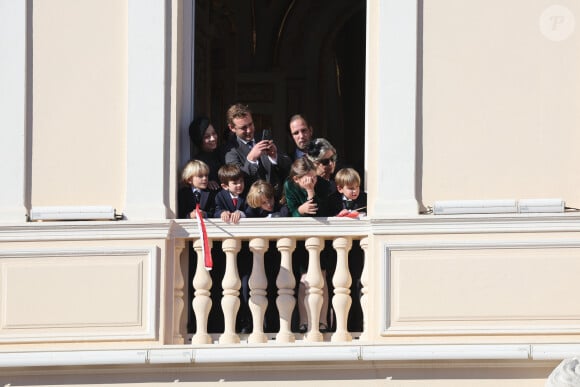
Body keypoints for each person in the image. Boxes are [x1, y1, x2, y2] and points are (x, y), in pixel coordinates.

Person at [283, 157, 330, 333]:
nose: (312, 181)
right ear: (297, 179)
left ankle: (323, 321)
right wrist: (300, 211)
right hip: (301, 241)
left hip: (320, 238)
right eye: (308, 179)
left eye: (314, 178)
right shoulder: (290, 186)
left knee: (322, 279)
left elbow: (322, 211)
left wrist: (311, 192)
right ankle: (304, 321)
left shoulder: (322, 186)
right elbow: (291, 212)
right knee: (304, 281)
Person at [224, 103, 292, 201]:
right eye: (243, 128)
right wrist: (251, 159)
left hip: (276, 202)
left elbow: (289, 165)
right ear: (232, 128)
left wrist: (274, 157)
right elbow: (236, 181)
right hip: (251, 206)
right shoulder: (229, 151)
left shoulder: (263, 138)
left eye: (250, 124)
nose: (249, 130)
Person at [189, 116, 223, 191]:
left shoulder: (223, 153)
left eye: (214, 133)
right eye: (207, 136)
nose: (213, 138)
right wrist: (207, 183)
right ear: (199, 140)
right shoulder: (197, 163)